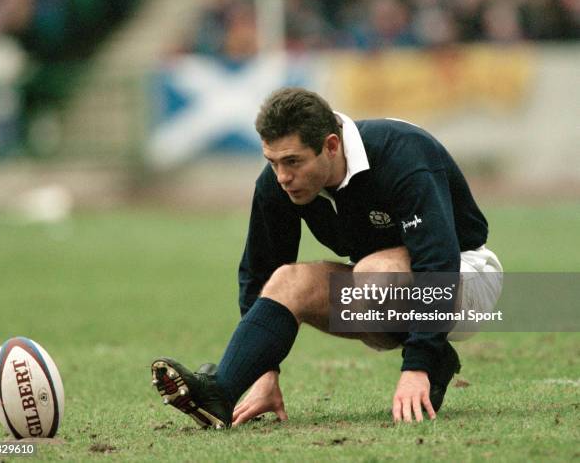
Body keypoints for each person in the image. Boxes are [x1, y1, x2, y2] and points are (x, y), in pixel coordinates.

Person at [151, 87, 503, 428]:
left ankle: (434, 357)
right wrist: (262, 370)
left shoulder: (401, 151)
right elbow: (259, 274)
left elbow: (437, 263)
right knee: (289, 280)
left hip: (465, 275)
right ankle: (220, 394)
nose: (283, 176)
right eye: (272, 162)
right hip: (382, 285)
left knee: (372, 276)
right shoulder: (277, 184)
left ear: (331, 146)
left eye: (293, 161)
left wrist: (418, 365)